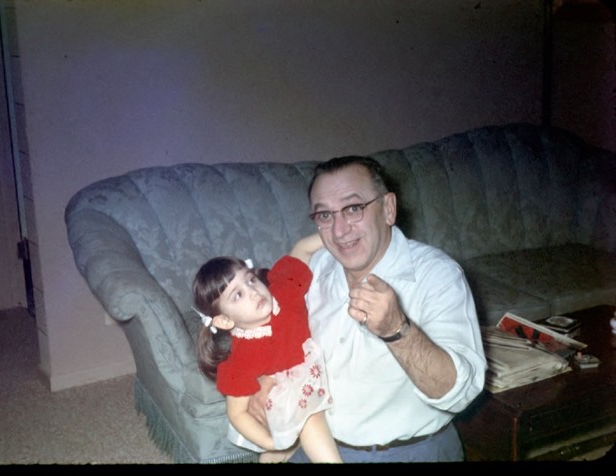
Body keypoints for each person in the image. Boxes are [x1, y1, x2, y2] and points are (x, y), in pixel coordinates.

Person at [248, 156, 487, 463]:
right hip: (318, 446)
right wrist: (264, 381)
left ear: (388, 208)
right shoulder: (315, 268)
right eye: (325, 215)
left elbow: (460, 395)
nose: (339, 231)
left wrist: (397, 330)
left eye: (353, 208)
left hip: (407, 452)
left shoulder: (437, 275)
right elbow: (276, 336)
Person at [192, 233, 342, 463]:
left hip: (319, 367)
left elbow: (301, 249)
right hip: (288, 399)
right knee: (311, 421)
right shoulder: (242, 359)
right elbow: (237, 414)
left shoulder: (285, 291)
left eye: (250, 280)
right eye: (238, 295)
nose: (253, 292)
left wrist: (334, 233)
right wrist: (271, 442)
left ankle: (276, 454)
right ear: (225, 320)